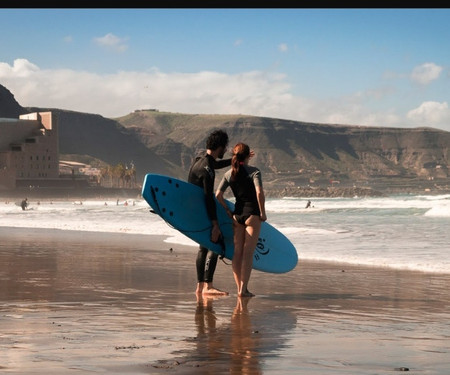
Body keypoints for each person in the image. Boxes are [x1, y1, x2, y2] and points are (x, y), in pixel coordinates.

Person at [216, 143, 267, 297]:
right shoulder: (254, 172)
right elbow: (259, 193)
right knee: (248, 254)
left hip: (237, 216)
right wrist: (263, 213)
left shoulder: (229, 174)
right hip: (252, 215)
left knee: (237, 253)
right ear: (247, 156)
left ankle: (239, 287)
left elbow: (218, 194)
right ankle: (243, 290)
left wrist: (227, 210)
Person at [188, 129, 231, 295]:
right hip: (204, 212)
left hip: (195, 212)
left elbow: (216, 164)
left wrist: (233, 160)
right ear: (219, 147)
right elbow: (208, 197)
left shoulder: (200, 161)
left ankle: (200, 287)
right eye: (225, 147)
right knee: (215, 244)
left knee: (203, 248)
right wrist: (215, 224)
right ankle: (208, 286)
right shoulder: (208, 169)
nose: (225, 150)